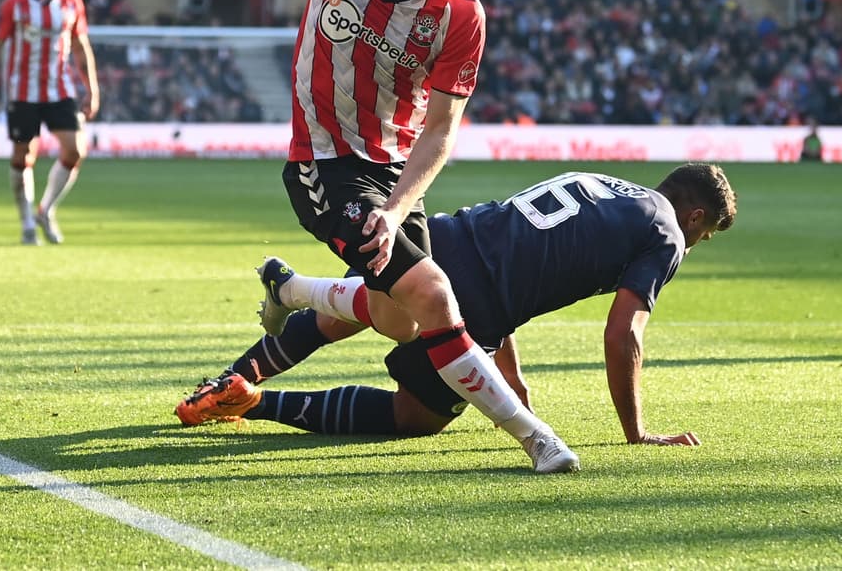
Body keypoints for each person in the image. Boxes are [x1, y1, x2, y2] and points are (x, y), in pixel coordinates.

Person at [117, 0, 575, 471]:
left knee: (400, 321)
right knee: (435, 296)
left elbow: (440, 130)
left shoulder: (461, 16)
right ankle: (537, 440)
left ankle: (292, 287)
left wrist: (393, 209)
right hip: (323, 161)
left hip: (392, 171)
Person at [176, 164, 738, 470]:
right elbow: (624, 335)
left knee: (363, 311)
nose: (695, 245)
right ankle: (252, 400)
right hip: (480, 293)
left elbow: (522, 256)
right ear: (693, 215)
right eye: (704, 236)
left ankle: (226, 378)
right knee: (416, 414)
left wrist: (510, 374)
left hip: (448, 236)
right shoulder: (666, 231)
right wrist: (636, 433)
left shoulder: (606, 187)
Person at [0, 0, 100, 245]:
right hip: (23, 93)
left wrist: (92, 88)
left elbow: (82, 47)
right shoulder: (14, 5)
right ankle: (26, 223)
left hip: (60, 90)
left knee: (75, 150)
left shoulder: (71, 2)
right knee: (23, 155)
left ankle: (46, 210)